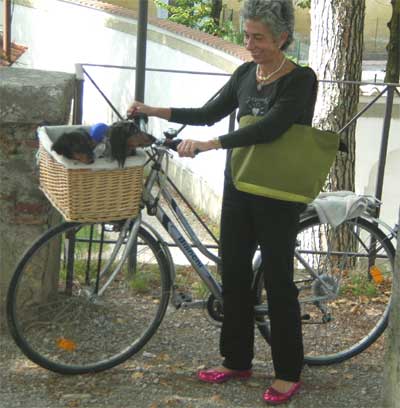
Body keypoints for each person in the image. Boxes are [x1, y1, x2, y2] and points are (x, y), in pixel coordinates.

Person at [128, 0, 317, 404]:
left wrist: (211, 145)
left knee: (279, 282)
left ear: (282, 37)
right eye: (247, 36)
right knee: (232, 274)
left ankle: (287, 370)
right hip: (240, 186)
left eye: (259, 38)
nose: (250, 44)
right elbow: (209, 112)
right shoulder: (246, 73)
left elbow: (270, 128)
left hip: (277, 193)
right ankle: (237, 360)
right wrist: (153, 109)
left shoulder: (301, 79)